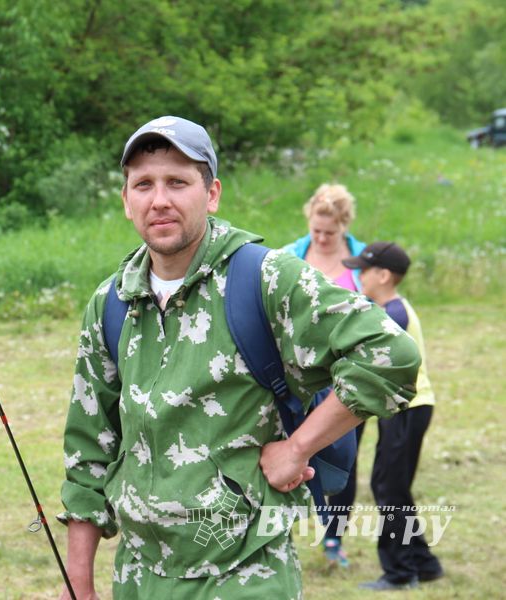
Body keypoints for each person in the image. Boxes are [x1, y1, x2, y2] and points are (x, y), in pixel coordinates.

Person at [58, 116, 421, 599]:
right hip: (140, 574)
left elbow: (389, 352)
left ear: (211, 194)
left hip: (244, 571)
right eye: (143, 184)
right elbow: (89, 451)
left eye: (178, 182)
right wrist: (78, 584)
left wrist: (298, 448)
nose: (159, 199)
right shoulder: (111, 304)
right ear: (126, 201)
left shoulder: (265, 279)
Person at [341, 242, 444, 591]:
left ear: (383, 275)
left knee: (388, 489)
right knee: (393, 485)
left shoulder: (393, 315)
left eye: (363, 270)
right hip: (405, 409)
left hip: (406, 409)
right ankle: (424, 563)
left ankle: (400, 573)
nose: (358, 276)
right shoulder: (392, 309)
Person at [282, 183, 366, 567]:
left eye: (329, 232)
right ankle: (295, 526)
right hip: (304, 376)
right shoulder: (290, 257)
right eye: (316, 230)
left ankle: (335, 539)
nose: (321, 237)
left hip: (351, 378)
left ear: (343, 225)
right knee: (299, 449)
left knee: (346, 456)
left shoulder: (363, 260)